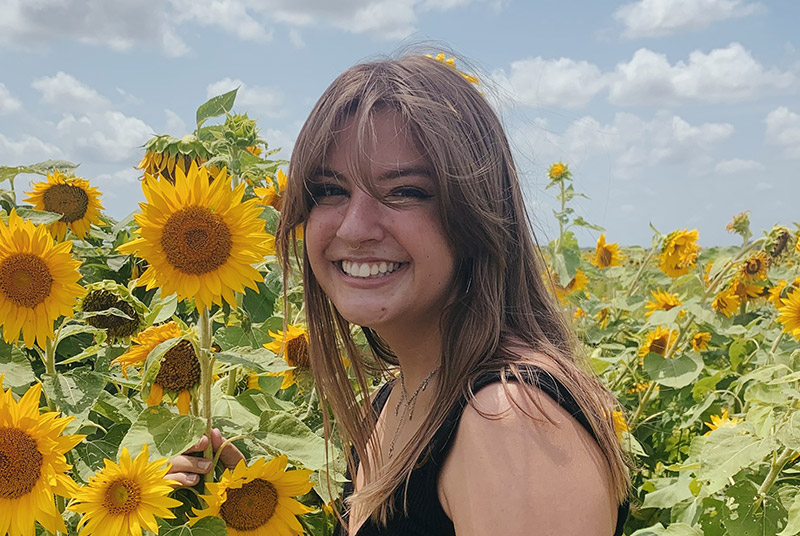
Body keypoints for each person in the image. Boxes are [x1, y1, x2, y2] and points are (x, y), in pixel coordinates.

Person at [171, 52, 631, 535]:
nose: (355, 227)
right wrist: (251, 507)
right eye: (329, 189)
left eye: (405, 191)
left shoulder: (510, 423)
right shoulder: (394, 401)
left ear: (477, 215)